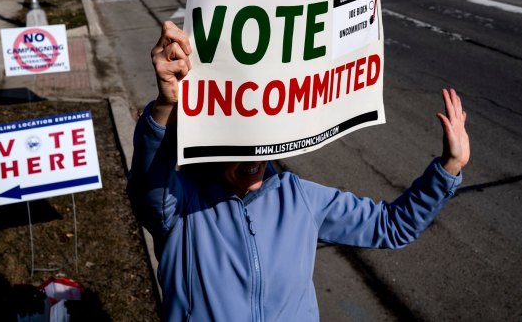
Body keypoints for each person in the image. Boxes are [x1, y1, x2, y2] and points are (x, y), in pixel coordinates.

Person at [127, 21, 470, 322]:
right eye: (238, 143)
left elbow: (390, 226)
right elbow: (147, 185)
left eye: (261, 140)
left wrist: (448, 167)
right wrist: (167, 106)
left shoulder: (298, 198)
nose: (252, 157)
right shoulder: (180, 205)